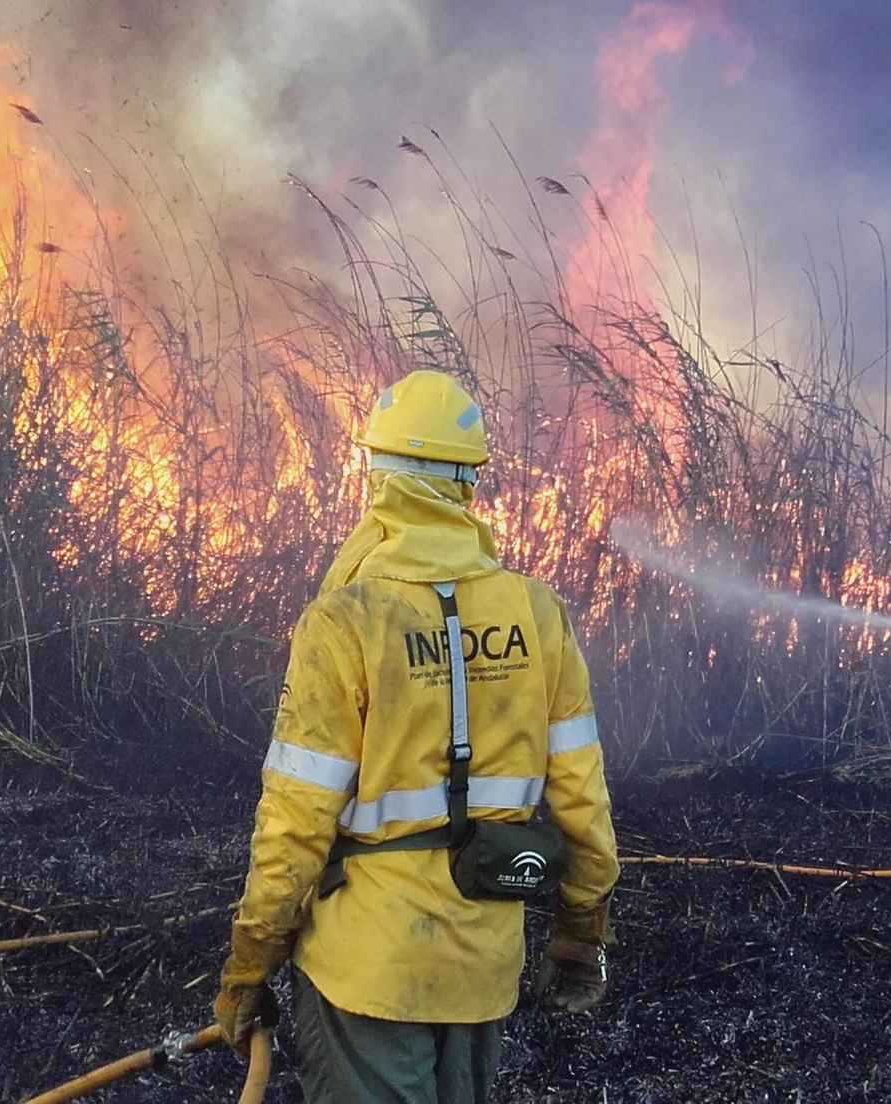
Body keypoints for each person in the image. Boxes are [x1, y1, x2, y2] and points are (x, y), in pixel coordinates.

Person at [214, 369, 619, 1104]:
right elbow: (584, 806)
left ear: (376, 476)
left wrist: (248, 967)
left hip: (364, 969)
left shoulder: (345, 621)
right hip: (481, 964)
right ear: (470, 482)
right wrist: (580, 933)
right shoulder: (539, 614)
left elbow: (295, 826)